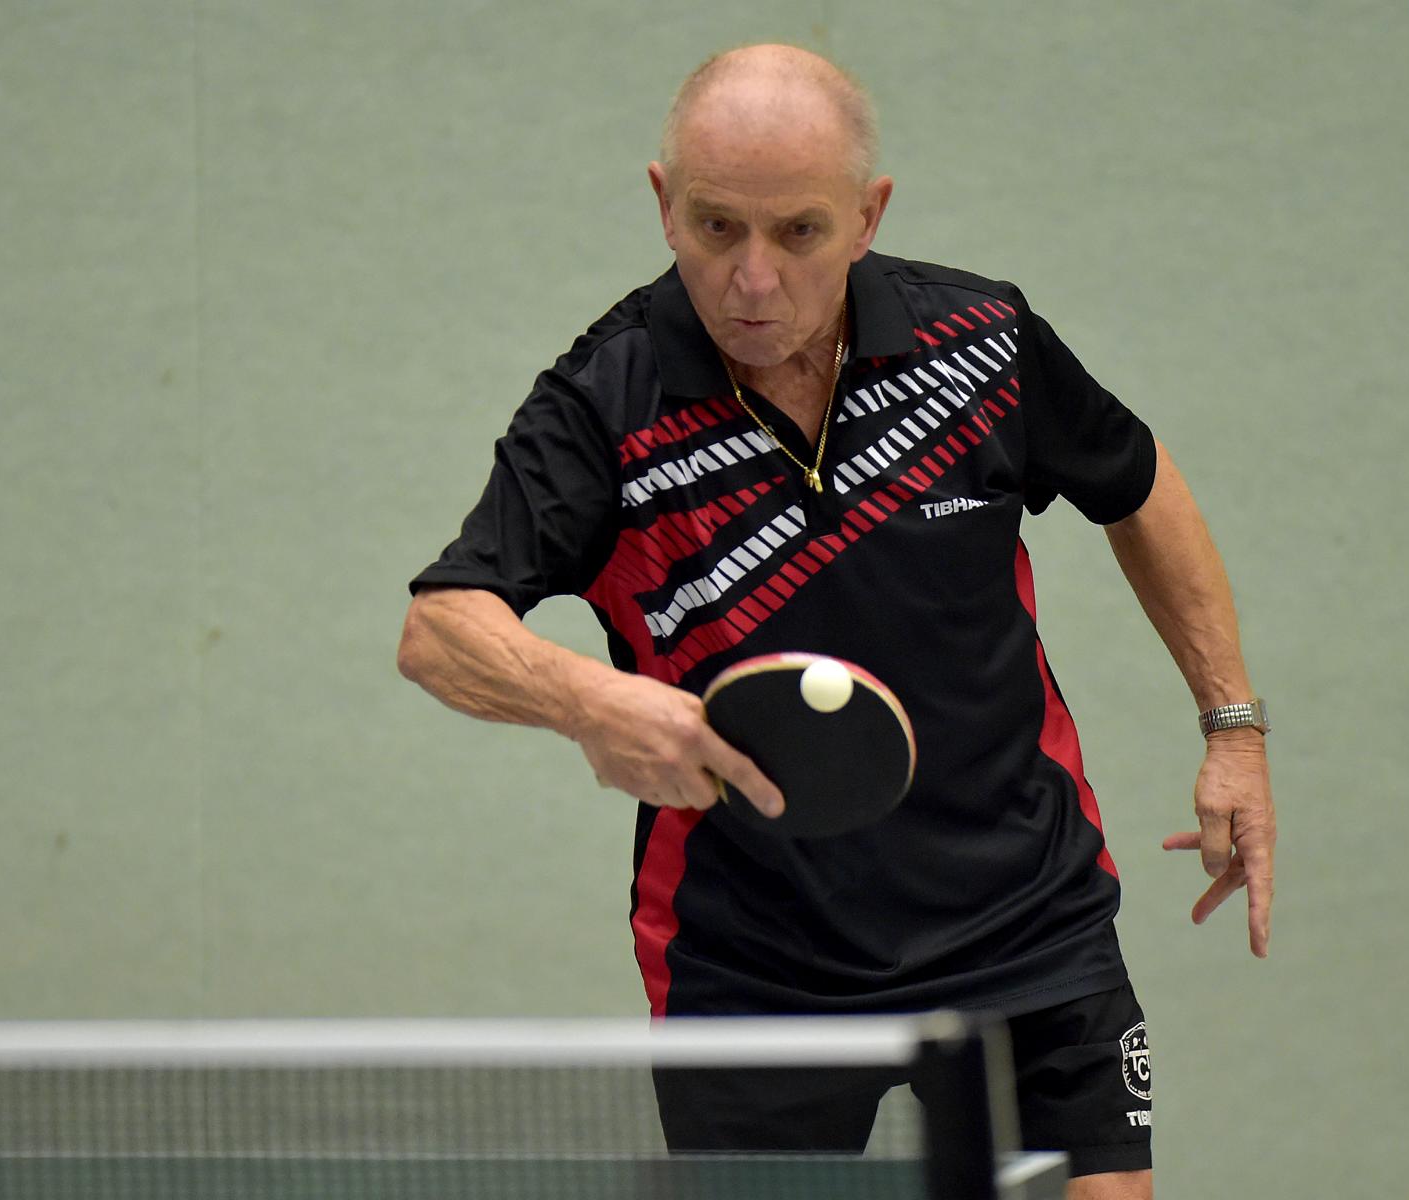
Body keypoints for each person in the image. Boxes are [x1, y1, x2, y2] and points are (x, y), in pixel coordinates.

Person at [398, 43, 1274, 1200]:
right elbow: (441, 628)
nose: (753, 280)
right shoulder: (604, 405)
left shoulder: (981, 344)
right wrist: (590, 701)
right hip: (754, 965)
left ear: (867, 217)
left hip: (1024, 921)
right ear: (663, 204)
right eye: (716, 228)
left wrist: (1232, 729)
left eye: (799, 232)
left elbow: (1138, 484)